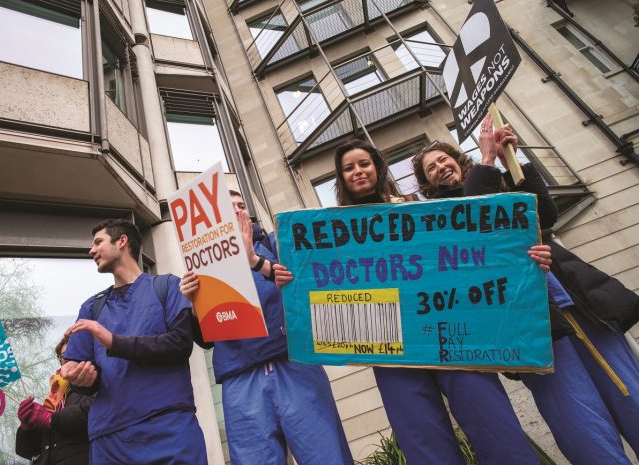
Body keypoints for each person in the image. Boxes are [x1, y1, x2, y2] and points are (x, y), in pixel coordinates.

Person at [274, 136, 551, 465]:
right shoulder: (328, 234)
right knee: (423, 443)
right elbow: (314, 280)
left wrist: (524, 255)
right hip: (390, 350)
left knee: (493, 424)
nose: (358, 171)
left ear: (377, 168)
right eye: (349, 168)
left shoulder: (420, 206)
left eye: (364, 164)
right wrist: (288, 277)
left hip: (451, 334)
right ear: (341, 178)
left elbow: (479, 242)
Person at [412, 113, 639, 465]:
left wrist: (510, 160)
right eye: (431, 168)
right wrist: (486, 161)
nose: (440, 167)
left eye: (444, 159)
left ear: (457, 162)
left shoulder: (499, 182)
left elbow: (545, 215)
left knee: (631, 395)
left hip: (579, 305)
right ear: (427, 184)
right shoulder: (436, 217)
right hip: (532, 329)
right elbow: (478, 226)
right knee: (580, 423)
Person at [178, 190, 353, 465]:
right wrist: (194, 304)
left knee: (325, 455)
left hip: (294, 363)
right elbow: (206, 339)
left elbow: (309, 285)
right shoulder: (204, 267)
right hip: (240, 376)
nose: (238, 211)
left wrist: (257, 263)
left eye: (241, 206)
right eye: (229, 207)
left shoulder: (277, 242)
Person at [60, 219, 207, 465]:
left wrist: (114, 342)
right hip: (110, 440)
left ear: (122, 242)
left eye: (98, 242)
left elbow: (180, 345)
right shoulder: (91, 307)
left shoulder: (168, 286)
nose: (91, 251)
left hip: (168, 428)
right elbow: (83, 374)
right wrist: (80, 377)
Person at [15, 335, 92, 465]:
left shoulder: (93, 385)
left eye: (71, 353)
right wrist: (26, 427)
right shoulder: (53, 398)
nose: (66, 359)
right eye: (62, 356)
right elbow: (27, 452)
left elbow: (94, 415)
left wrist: (50, 419)